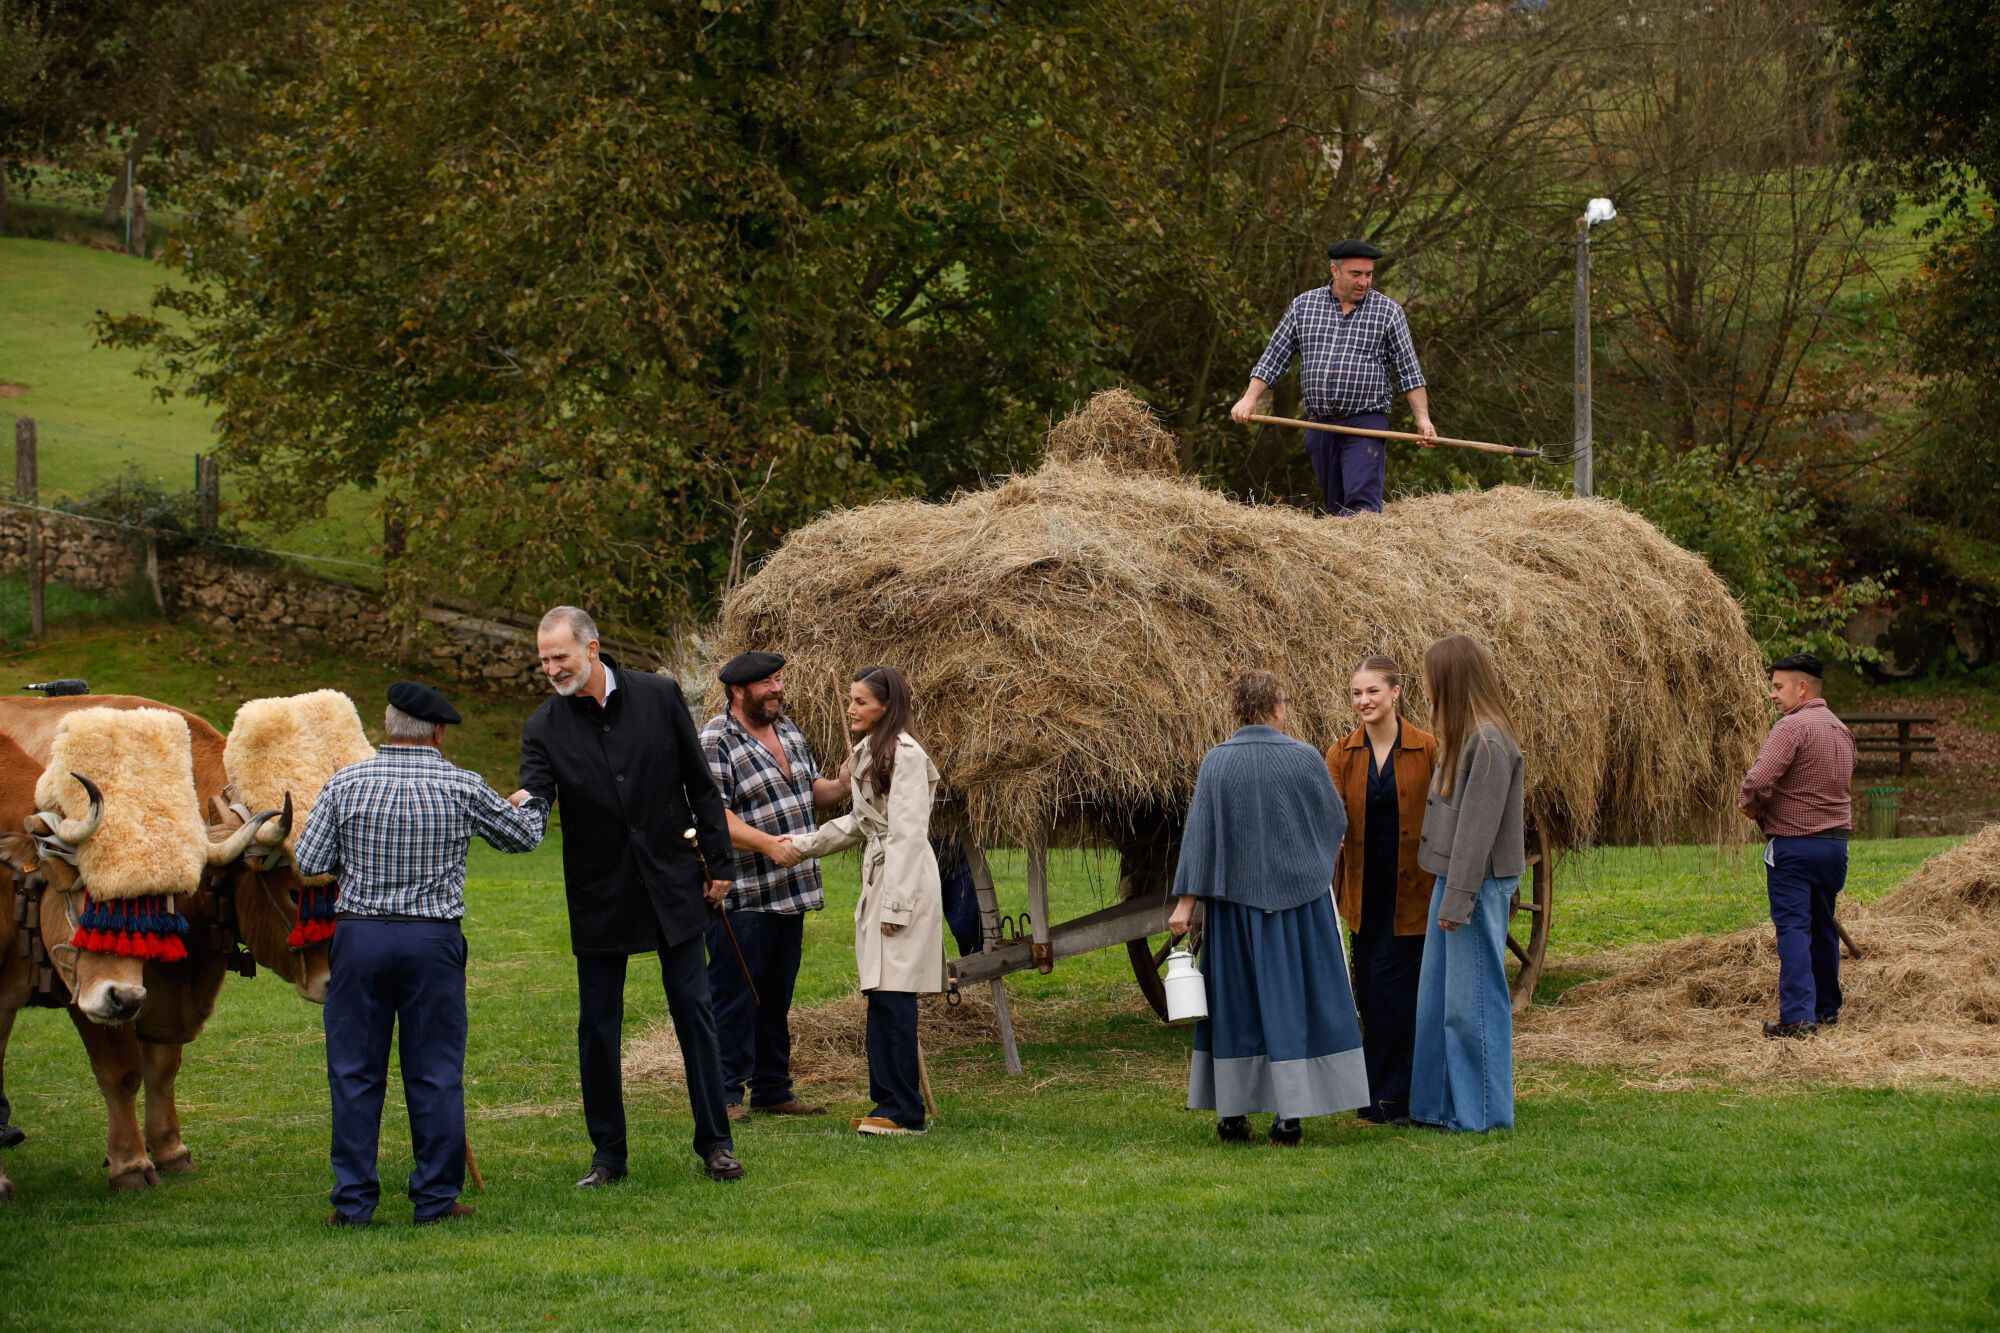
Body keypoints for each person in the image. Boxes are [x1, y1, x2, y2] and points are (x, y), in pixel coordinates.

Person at [293, 681, 546, 1227]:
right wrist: (533, 800)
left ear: (387, 726)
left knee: (355, 1072)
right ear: (437, 731)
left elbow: (310, 859)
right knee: (434, 1072)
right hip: (432, 941)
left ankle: (354, 1203)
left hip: (360, 938)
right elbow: (522, 839)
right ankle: (434, 1199)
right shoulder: (462, 784)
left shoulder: (346, 782)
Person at [517, 606, 744, 1184]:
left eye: (559, 656)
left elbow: (700, 781)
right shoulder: (543, 727)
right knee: (597, 1026)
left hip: (672, 881)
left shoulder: (659, 696)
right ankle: (608, 1156)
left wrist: (719, 859)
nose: (551, 669)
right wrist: (524, 805)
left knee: (695, 1012)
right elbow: (536, 791)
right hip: (600, 893)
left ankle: (716, 1143)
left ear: (592, 649)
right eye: (543, 659)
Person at [1167, 670, 1369, 1146]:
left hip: (1234, 911)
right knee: (1289, 1005)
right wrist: (1305, 870)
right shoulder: (1303, 759)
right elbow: (1334, 823)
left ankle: (1232, 1115)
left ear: (1237, 710)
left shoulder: (1217, 763)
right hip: (1297, 909)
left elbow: (1199, 838)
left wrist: (1186, 904)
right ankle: (1289, 1115)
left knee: (1236, 1009)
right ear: (1278, 708)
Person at [778, 665, 944, 1137]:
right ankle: (887, 1103)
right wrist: (802, 845)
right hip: (883, 876)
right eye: (850, 700)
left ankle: (903, 1113)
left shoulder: (906, 755)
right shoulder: (871, 750)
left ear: (886, 707)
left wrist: (896, 905)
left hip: (903, 881)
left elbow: (909, 835)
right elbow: (859, 822)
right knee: (880, 992)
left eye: (861, 702)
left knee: (894, 994)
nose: (851, 708)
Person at [699, 650, 850, 1120]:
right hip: (741, 895)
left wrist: (843, 784)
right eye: (767, 684)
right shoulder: (714, 739)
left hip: (792, 890)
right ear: (738, 691)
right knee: (735, 994)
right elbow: (713, 816)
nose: (778, 689)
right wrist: (766, 844)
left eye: (779, 680)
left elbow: (810, 792)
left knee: (777, 995)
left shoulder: (788, 730)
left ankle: (772, 1088)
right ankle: (724, 1094)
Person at [1410, 635, 1526, 1134]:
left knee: (1472, 1001)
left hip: (1474, 886)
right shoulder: (1465, 737)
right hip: (1454, 880)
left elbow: (1477, 834)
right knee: (1438, 1000)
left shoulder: (1490, 742)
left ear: (1451, 679)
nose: (1426, 686)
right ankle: (1437, 1106)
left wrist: (1457, 901)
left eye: (1431, 676)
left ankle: (1481, 1113)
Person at [1230, 238, 1437, 516]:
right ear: (1335, 271)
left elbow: (1409, 371)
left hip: (1366, 422)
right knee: (1335, 505)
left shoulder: (1388, 312)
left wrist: (1423, 420)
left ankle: (1363, 553)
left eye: (1369, 274)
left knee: (1360, 508)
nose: (1364, 281)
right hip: (1321, 423)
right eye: (1356, 274)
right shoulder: (1304, 306)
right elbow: (1274, 357)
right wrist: (1249, 399)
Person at [1325, 654, 1438, 1124]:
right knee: (1370, 991)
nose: (1364, 701)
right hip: (1363, 895)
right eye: (1356, 693)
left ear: (1396, 692)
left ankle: (1394, 1097)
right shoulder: (1341, 754)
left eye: (1373, 691)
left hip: (1412, 894)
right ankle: (1376, 1093)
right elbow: (1330, 817)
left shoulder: (1428, 749)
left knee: (1402, 994)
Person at [1737, 652, 1856, 1038]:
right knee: (1823, 926)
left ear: (1802, 688)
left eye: (1778, 687)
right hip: (1835, 848)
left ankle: (1798, 1018)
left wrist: (1752, 808)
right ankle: (1827, 1009)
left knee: (1793, 929)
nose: (1773, 695)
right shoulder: (1841, 730)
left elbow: (1757, 781)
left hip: (1795, 847)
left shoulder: (1791, 728)